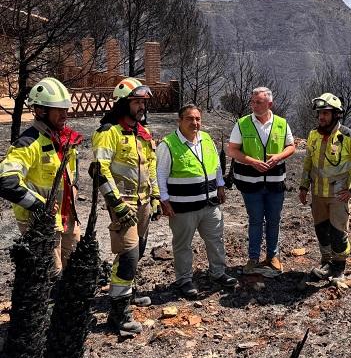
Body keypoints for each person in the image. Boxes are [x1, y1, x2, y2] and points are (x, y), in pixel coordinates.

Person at [91, 77, 160, 335]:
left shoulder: (143, 133)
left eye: (144, 102)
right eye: (137, 102)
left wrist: (155, 196)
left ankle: (127, 294)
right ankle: (118, 315)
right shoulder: (109, 132)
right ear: (123, 103)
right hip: (123, 203)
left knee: (138, 251)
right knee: (128, 256)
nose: (142, 107)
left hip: (143, 202)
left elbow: (150, 165)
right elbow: (99, 171)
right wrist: (116, 204)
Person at [0, 77, 82, 276]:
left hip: (67, 219)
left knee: (72, 271)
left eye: (66, 109)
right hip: (39, 222)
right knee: (49, 275)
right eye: (59, 109)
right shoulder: (28, 142)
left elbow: (73, 171)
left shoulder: (64, 140)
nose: (65, 114)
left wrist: (75, 187)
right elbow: (6, 181)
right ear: (40, 110)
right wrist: (39, 204)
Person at [157, 104, 237, 298]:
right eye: (189, 119)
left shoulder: (206, 139)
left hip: (210, 204)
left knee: (215, 239)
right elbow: (160, 174)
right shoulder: (168, 144)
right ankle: (184, 279)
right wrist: (164, 200)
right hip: (183, 207)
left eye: (197, 119)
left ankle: (218, 273)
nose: (194, 123)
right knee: (183, 244)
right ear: (180, 121)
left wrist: (220, 185)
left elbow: (216, 165)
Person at [299, 93, 351, 283]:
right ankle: (326, 263)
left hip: (338, 196)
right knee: (321, 230)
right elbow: (308, 162)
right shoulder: (313, 135)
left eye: (326, 113)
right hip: (318, 194)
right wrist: (303, 186)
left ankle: (338, 268)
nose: (321, 117)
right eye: (319, 113)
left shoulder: (349, 137)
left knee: (338, 233)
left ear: (336, 114)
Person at [227, 87, 295, 277]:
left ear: (269, 104)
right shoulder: (242, 124)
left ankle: (273, 256)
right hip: (250, 183)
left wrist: (279, 156)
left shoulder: (282, 124)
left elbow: (291, 147)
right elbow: (232, 150)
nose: (254, 105)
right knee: (255, 221)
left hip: (275, 183)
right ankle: (253, 258)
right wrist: (251, 161)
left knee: (274, 221)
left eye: (259, 102)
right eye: (253, 101)